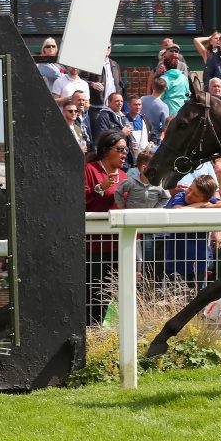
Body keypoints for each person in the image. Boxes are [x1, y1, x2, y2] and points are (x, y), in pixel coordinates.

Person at [84, 131, 128, 325]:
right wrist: (100, 188)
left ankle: (102, 330)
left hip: (120, 245)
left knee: (111, 291)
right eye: (119, 149)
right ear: (106, 150)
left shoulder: (125, 175)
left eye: (126, 149)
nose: (124, 153)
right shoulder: (90, 170)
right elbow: (80, 200)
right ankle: (91, 330)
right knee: (94, 292)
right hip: (95, 246)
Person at [140, 77, 169, 143]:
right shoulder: (164, 106)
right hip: (155, 137)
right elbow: (165, 127)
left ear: (152, 87)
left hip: (141, 133)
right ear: (164, 89)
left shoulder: (142, 99)